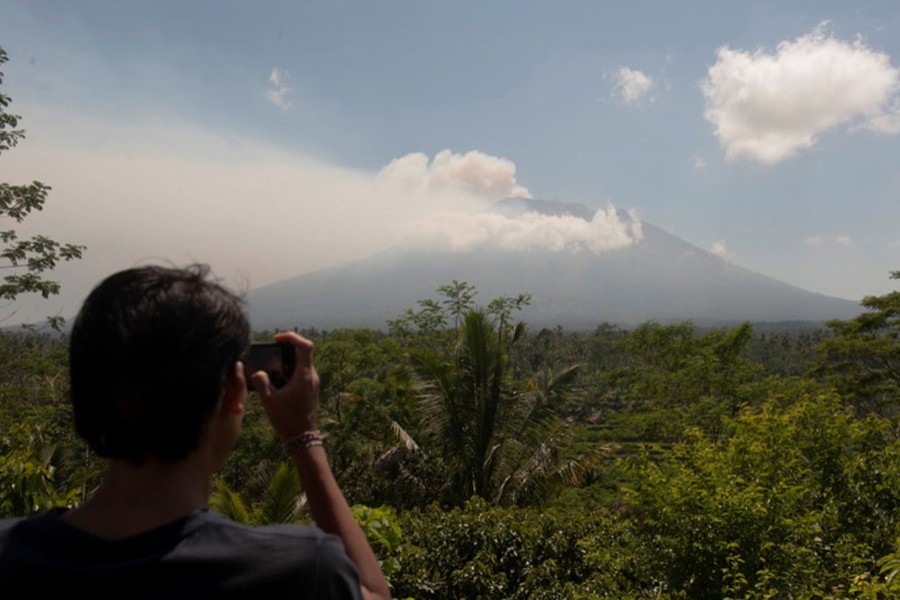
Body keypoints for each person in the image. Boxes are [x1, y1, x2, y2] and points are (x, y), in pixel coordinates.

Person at [0, 264, 391, 599]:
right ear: (236, 390)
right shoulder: (297, 573)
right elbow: (373, 591)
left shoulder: (12, 555)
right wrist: (303, 436)